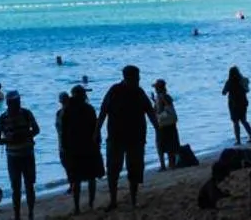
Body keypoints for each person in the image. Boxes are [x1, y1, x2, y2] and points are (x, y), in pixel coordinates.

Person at [97, 65, 158, 210]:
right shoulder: (114, 91)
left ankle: (133, 200)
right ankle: (113, 200)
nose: (138, 80)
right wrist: (96, 131)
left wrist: (157, 128)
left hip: (135, 137)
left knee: (134, 169)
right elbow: (103, 111)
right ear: (127, 77)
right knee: (113, 170)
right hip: (116, 137)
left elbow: (149, 111)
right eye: (136, 78)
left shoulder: (139, 92)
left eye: (138, 78)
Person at [0, 89, 41, 220]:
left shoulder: (26, 114)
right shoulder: (2, 119)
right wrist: (10, 140)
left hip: (27, 155)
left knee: (29, 185)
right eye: (15, 102)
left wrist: (24, 135)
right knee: (16, 188)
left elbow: (36, 129)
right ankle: (17, 216)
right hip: (14, 157)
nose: (17, 103)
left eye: (18, 101)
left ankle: (30, 214)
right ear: (8, 103)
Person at [57, 85, 104, 213]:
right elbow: (96, 128)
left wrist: (64, 148)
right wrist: (97, 143)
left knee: (76, 179)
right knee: (91, 177)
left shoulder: (67, 110)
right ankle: (90, 204)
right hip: (89, 148)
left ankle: (77, 207)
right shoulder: (89, 109)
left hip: (74, 149)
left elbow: (63, 132)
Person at [150, 80, 181, 170]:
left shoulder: (161, 97)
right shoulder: (167, 96)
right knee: (171, 144)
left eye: (156, 87)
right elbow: (168, 108)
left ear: (158, 88)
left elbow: (158, 111)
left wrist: (155, 103)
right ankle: (172, 164)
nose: (155, 89)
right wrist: (154, 100)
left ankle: (163, 165)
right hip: (171, 124)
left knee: (160, 145)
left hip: (163, 124)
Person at [222, 67, 251, 145]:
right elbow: (247, 90)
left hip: (233, 104)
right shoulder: (243, 80)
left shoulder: (229, 82)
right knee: (244, 121)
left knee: (235, 122)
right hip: (243, 103)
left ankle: (238, 140)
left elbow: (224, 92)